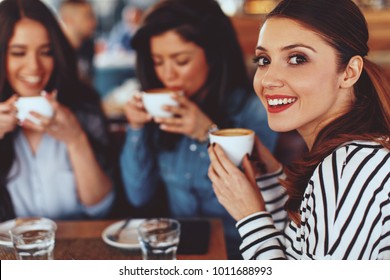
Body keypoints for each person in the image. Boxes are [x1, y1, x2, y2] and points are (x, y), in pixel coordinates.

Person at [208, 0, 390, 260]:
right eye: (264, 60)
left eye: (297, 59)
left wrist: (250, 216)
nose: (268, 79)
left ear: (349, 72)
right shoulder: (344, 159)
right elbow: (302, 250)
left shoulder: (348, 167)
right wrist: (270, 178)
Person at [119, 0, 277, 259]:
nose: (167, 75)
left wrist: (209, 134)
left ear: (214, 56)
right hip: (178, 253)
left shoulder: (254, 111)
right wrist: (136, 128)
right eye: (157, 61)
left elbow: (259, 201)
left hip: (240, 254)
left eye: (181, 61)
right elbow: (138, 195)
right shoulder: (158, 113)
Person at [0, 0, 114, 222]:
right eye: (18, 53)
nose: (34, 66)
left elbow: (101, 209)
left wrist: (76, 139)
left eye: (46, 52)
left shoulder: (83, 107)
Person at [59, 0, 97, 82]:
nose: (94, 23)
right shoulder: (57, 50)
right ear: (68, 19)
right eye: (87, 17)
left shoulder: (88, 46)